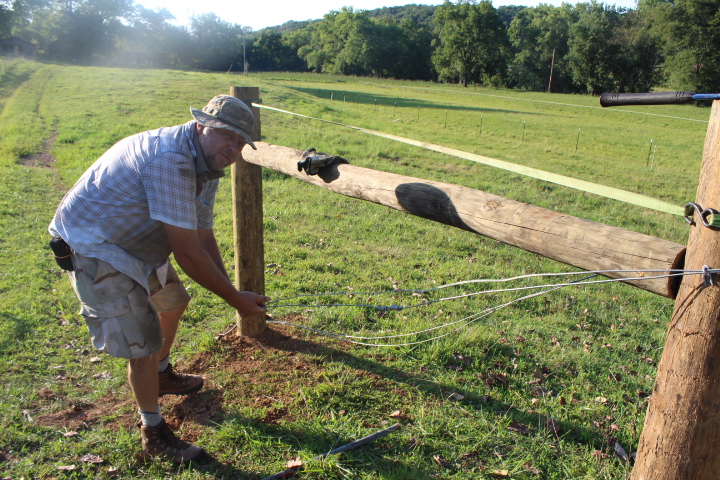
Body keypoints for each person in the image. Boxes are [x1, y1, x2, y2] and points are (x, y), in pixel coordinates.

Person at [49, 95, 270, 464]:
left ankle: (162, 376)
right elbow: (188, 253)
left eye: (240, 142)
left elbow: (202, 236)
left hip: (135, 243)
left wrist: (232, 290)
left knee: (173, 303)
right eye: (226, 135)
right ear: (202, 126)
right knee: (143, 345)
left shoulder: (208, 162)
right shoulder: (171, 160)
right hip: (95, 245)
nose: (232, 148)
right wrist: (236, 300)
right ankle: (153, 433)